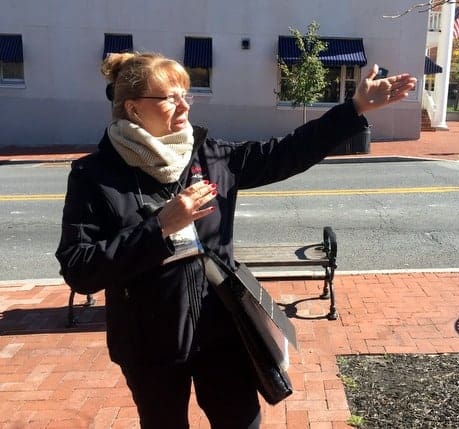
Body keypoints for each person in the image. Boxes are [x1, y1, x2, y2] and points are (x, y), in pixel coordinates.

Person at [55, 51, 416, 429]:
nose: (183, 105)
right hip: (149, 342)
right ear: (132, 107)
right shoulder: (94, 176)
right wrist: (160, 226)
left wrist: (354, 108)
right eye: (168, 97)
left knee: (241, 422)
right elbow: (80, 268)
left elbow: (286, 152)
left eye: (186, 94)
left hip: (221, 329)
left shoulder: (209, 155)